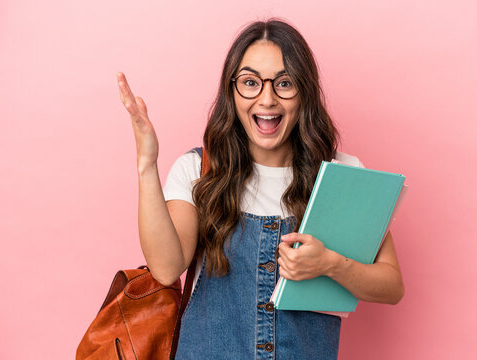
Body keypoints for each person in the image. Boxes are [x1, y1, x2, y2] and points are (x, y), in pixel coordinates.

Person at [117, 18, 404, 360]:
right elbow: (166, 268)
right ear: (232, 90)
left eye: (284, 83)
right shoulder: (199, 170)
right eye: (250, 83)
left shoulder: (341, 175)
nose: (266, 99)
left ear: (304, 91)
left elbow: (391, 286)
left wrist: (330, 265)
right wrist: (147, 165)